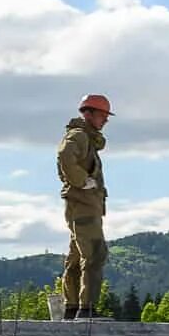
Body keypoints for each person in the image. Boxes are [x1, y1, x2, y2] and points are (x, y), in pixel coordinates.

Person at [55, 94, 113, 319]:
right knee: (95, 254)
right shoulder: (79, 136)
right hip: (83, 205)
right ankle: (86, 310)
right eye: (102, 115)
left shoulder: (85, 139)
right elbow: (65, 155)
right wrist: (82, 180)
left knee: (77, 258)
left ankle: (72, 308)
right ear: (88, 114)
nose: (105, 121)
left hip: (83, 206)